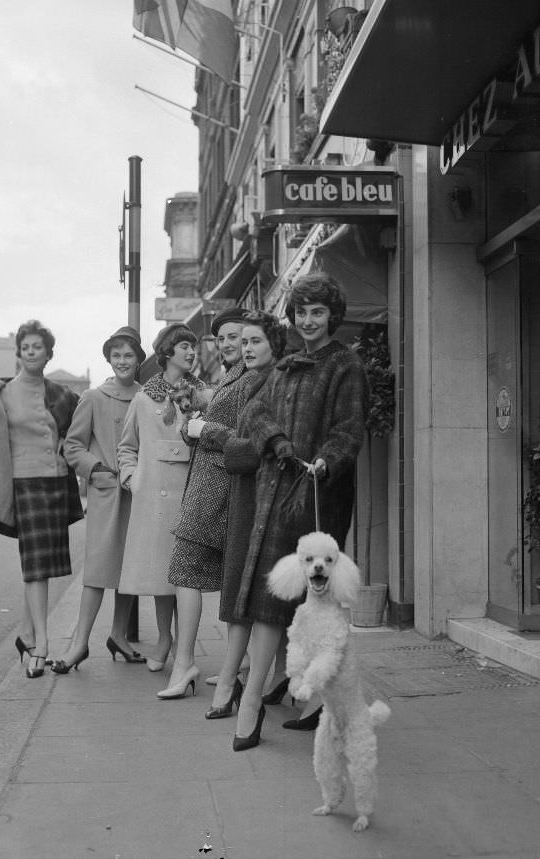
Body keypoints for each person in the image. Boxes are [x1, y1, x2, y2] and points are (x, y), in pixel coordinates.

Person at [229, 273, 368, 751]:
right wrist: (280, 443)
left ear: (332, 316)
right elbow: (253, 415)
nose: (309, 321)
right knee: (270, 601)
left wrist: (327, 458)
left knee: (319, 607)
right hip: (274, 494)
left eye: (318, 312)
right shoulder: (285, 366)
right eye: (302, 312)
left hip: (317, 497)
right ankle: (251, 706)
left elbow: (349, 429)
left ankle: (322, 704)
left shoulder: (345, 365)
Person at [0, 320, 83, 679]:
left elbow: (79, 429)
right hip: (24, 483)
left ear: (49, 354)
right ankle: (42, 644)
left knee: (44, 565)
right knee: (35, 567)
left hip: (54, 484)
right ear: (18, 353)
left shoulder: (62, 394)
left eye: (38, 347)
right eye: (26, 347)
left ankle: (26, 633)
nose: (32, 352)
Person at [156, 306, 254, 700]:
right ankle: (233, 663)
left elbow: (248, 435)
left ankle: (187, 664)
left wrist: (204, 428)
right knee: (211, 575)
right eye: (225, 338)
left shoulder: (251, 378)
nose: (230, 344)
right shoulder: (232, 376)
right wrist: (192, 426)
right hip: (211, 484)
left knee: (185, 570)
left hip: (218, 488)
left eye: (239, 337)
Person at [205, 311, 287, 718]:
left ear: (274, 346)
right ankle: (233, 678)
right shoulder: (253, 380)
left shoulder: (273, 384)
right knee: (241, 592)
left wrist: (216, 437)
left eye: (257, 342)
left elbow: (251, 449)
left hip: (262, 498)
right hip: (247, 498)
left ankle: (234, 681)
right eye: (246, 342)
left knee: (250, 593)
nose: (248, 348)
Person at [52, 326, 146, 673]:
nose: (123, 361)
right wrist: (97, 470)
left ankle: (119, 636)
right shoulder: (92, 397)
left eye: (129, 355)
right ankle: (79, 644)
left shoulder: (146, 396)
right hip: (107, 495)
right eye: (116, 355)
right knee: (96, 571)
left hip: (137, 493)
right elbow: (72, 446)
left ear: (139, 360)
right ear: (109, 358)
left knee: (129, 569)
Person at [117, 323, 206, 674]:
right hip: (154, 493)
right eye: (184, 346)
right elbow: (126, 446)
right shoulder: (144, 397)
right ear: (167, 352)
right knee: (160, 571)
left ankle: (183, 650)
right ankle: (164, 638)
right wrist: (132, 478)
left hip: (192, 488)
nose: (190, 352)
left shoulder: (203, 395)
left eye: (193, 346)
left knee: (186, 573)